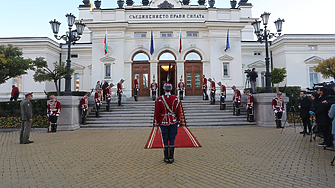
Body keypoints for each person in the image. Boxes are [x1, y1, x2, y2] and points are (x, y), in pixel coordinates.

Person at [154, 83, 181, 164]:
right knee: (172, 138)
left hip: (163, 121)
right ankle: (171, 157)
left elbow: (157, 112)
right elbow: (178, 111)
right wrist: (178, 120)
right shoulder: (175, 99)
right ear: (171, 89)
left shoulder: (159, 99)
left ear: (164, 90)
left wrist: (158, 121)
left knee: (165, 138)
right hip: (173, 121)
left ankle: (166, 157)